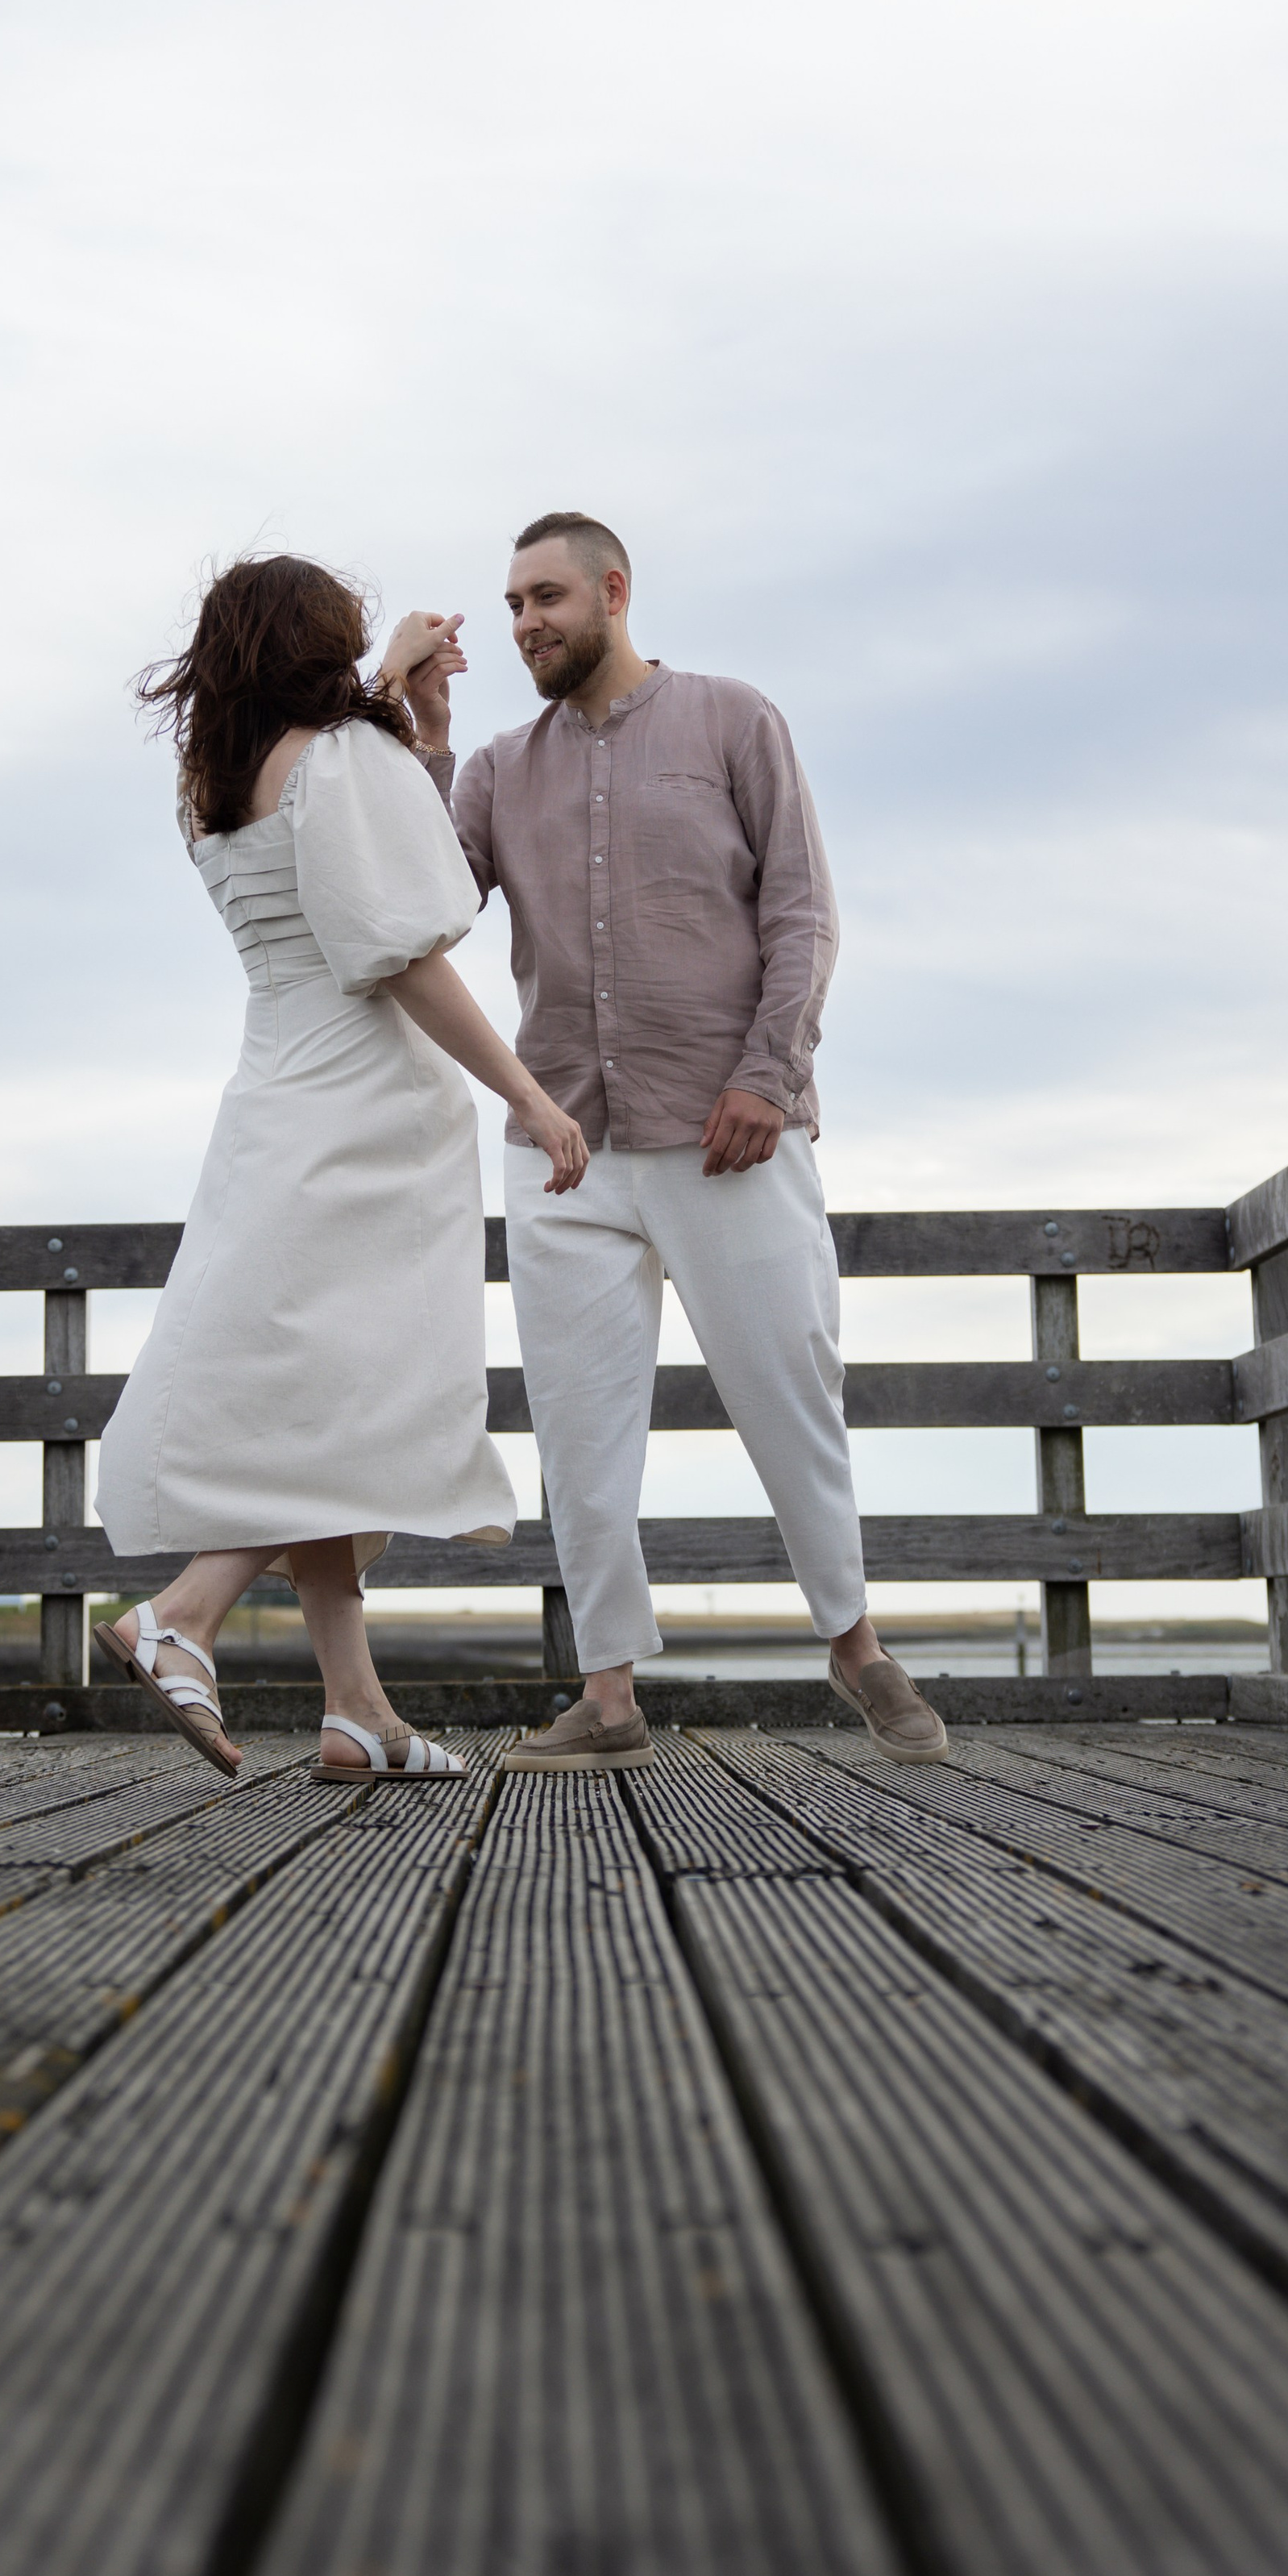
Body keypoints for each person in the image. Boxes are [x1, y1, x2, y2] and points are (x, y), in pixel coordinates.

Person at [381, 513, 948, 1773]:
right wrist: (424, 733)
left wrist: (770, 1071)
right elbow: (420, 898)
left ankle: (857, 1651)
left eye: (545, 599)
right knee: (581, 1430)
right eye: (512, 605)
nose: (525, 624)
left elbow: (803, 911)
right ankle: (611, 1699)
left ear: (613, 592)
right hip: (563, 1146)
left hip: (726, 1134)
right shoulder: (491, 771)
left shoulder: (736, 720)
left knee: (790, 1386)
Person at [94, 554, 588, 1781]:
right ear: (316, 641)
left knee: (325, 1400)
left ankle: (357, 1710)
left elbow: (358, 860)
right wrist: (527, 1090)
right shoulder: (334, 758)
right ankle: (185, 1615)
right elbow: (403, 945)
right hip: (368, 1115)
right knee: (354, 1401)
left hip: (277, 1098)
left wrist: (415, 720)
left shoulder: (212, 784)